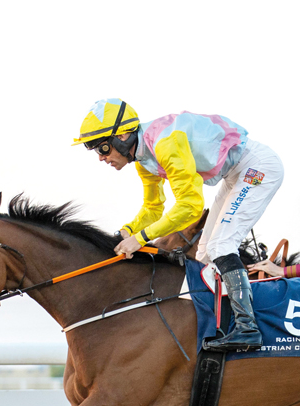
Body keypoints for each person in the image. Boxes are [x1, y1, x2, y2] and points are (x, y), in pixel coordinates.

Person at [73, 98, 284, 351]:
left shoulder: (165, 143)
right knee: (206, 253)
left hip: (257, 167)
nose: (100, 157)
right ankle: (224, 325)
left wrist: (139, 239)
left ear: (123, 136)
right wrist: (126, 232)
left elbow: (191, 207)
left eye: (103, 148)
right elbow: (153, 209)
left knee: (221, 246)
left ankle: (248, 329)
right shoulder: (143, 159)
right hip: (235, 174)